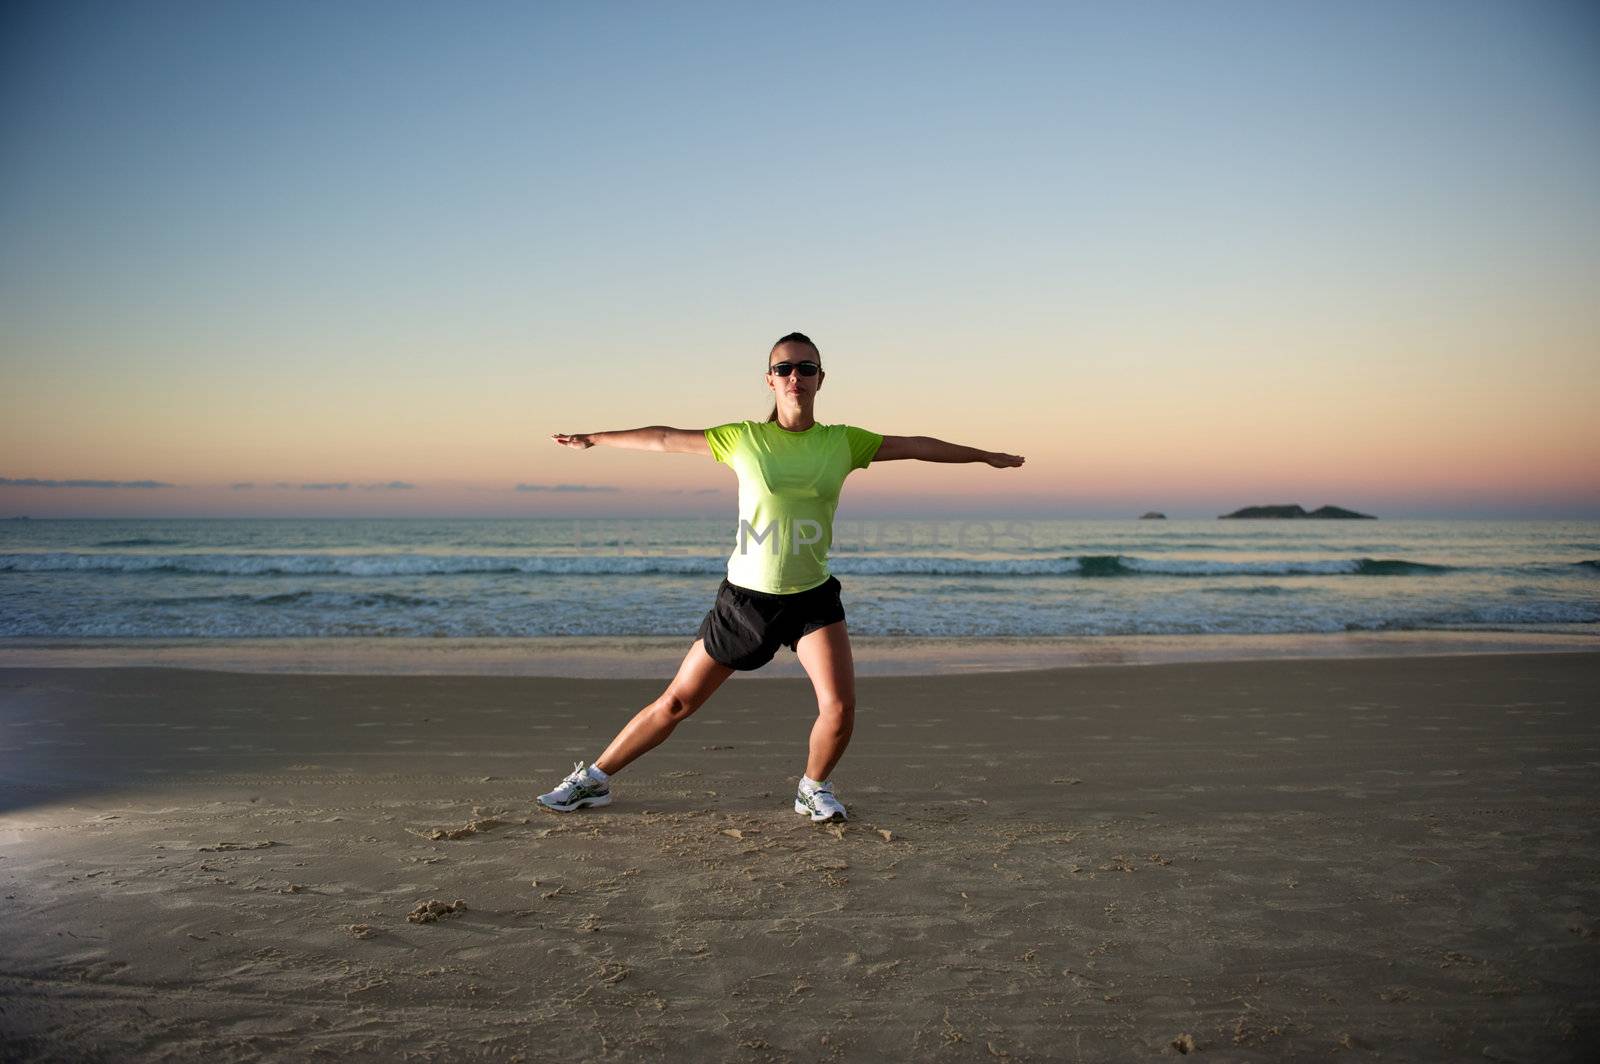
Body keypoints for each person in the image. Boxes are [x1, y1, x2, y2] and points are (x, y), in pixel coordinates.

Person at [536, 332, 1025, 823]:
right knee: (678, 702)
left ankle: (813, 788)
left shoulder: (843, 442)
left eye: (807, 368)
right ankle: (593, 781)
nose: (796, 377)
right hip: (747, 600)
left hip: (812, 597)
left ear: (820, 379)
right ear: (770, 379)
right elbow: (664, 437)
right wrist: (595, 438)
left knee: (839, 708)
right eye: (786, 368)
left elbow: (919, 446)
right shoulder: (743, 438)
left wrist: (984, 455)